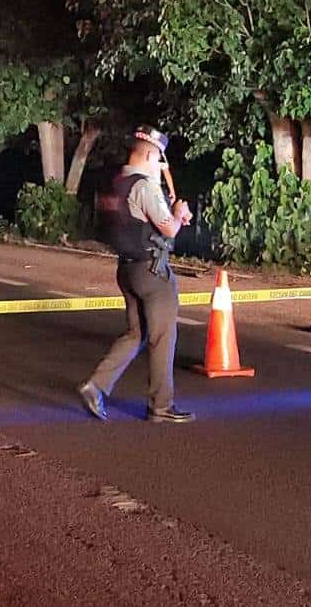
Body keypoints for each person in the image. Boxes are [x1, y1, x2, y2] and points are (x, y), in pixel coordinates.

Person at [78, 125, 196, 423]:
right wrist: (179, 214)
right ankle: (161, 406)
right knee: (162, 337)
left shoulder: (118, 181)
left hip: (127, 269)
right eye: (158, 160)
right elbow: (168, 228)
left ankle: (95, 386)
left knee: (136, 333)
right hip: (152, 273)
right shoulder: (145, 186)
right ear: (149, 156)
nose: (160, 167)